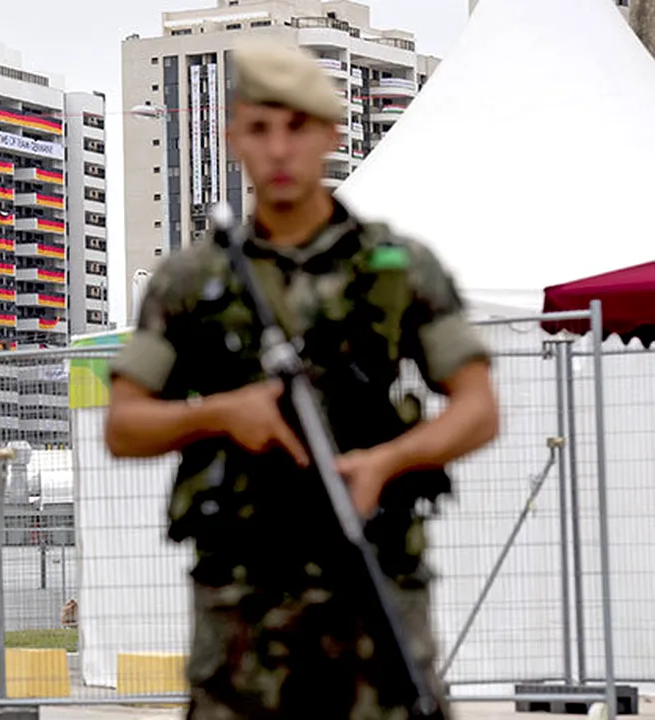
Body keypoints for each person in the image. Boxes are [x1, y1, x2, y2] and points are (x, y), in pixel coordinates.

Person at [105, 39, 500, 720]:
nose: (279, 150)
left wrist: (386, 461)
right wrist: (222, 413)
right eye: (259, 129)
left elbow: (478, 408)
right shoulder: (191, 282)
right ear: (232, 139)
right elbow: (124, 423)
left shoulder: (397, 268)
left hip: (372, 589)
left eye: (297, 128)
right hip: (243, 606)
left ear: (330, 134)